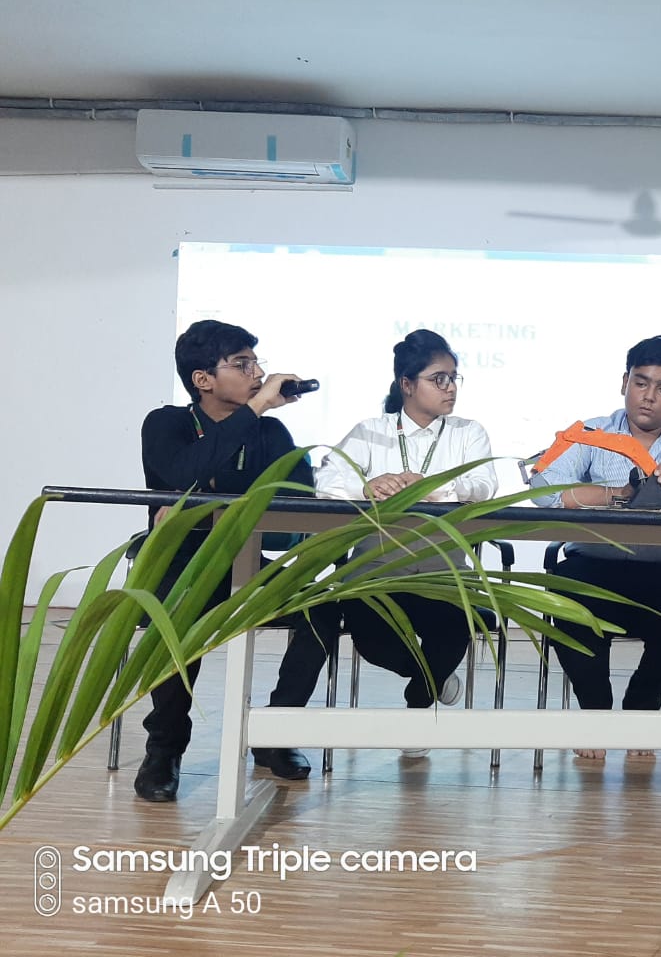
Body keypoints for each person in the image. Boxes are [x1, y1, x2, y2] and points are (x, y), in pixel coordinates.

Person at [135, 320, 340, 802]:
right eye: (243, 364)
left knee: (322, 609)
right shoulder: (166, 423)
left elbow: (297, 507)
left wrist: (211, 499)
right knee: (175, 617)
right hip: (180, 563)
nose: (259, 374)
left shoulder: (271, 432)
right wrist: (254, 411)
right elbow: (184, 470)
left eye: (256, 363)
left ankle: (275, 733)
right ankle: (164, 748)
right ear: (203, 379)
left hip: (246, 561)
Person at [530, 335, 661, 760]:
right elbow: (544, 490)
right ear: (625, 382)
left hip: (660, 574)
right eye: (641, 383)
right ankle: (595, 715)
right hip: (591, 566)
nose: (649, 396)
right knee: (568, 611)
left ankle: (641, 709)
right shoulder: (591, 433)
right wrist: (617, 495)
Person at [314, 330, 497, 757]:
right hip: (376, 574)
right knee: (374, 641)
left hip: (442, 574)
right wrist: (366, 487)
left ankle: (418, 707)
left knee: (453, 629)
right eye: (439, 379)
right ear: (407, 384)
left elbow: (483, 485)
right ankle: (433, 680)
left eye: (453, 378)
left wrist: (431, 488)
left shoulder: (468, 432)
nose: (450, 388)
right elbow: (326, 482)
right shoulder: (371, 432)